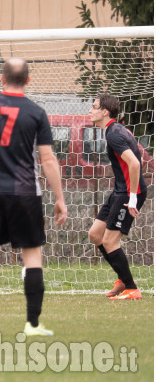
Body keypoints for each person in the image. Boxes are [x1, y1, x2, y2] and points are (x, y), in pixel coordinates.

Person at [0, 58, 67, 337]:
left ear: (1, 78)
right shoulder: (36, 112)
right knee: (32, 258)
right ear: (28, 80)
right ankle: (32, 324)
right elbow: (47, 159)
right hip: (25, 194)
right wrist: (60, 197)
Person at [87, 93, 147, 300]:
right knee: (95, 235)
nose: (90, 110)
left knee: (110, 241)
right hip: (120, 190)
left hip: (130, 192)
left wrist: (131, 198)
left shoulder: (114, 133)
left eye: (94, 107)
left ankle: (132, 289)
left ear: (105, 111)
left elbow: (135, 163)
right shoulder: (115, 129)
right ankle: (122, 279)